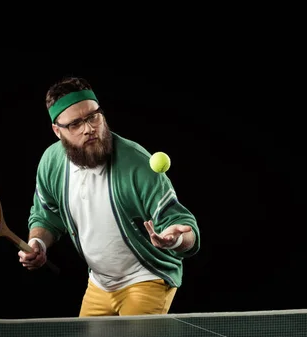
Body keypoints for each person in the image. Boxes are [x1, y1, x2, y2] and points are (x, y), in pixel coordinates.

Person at [17, 76, 200, 316]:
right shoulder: (51, 162)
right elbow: (46, 215)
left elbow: (186, 230)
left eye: (93, 116)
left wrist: (175, 239)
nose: (89, 128)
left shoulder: (137, 164)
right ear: (57, 131)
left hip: (146, 277)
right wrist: (38, 243)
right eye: (75, 124)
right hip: (100, 284)